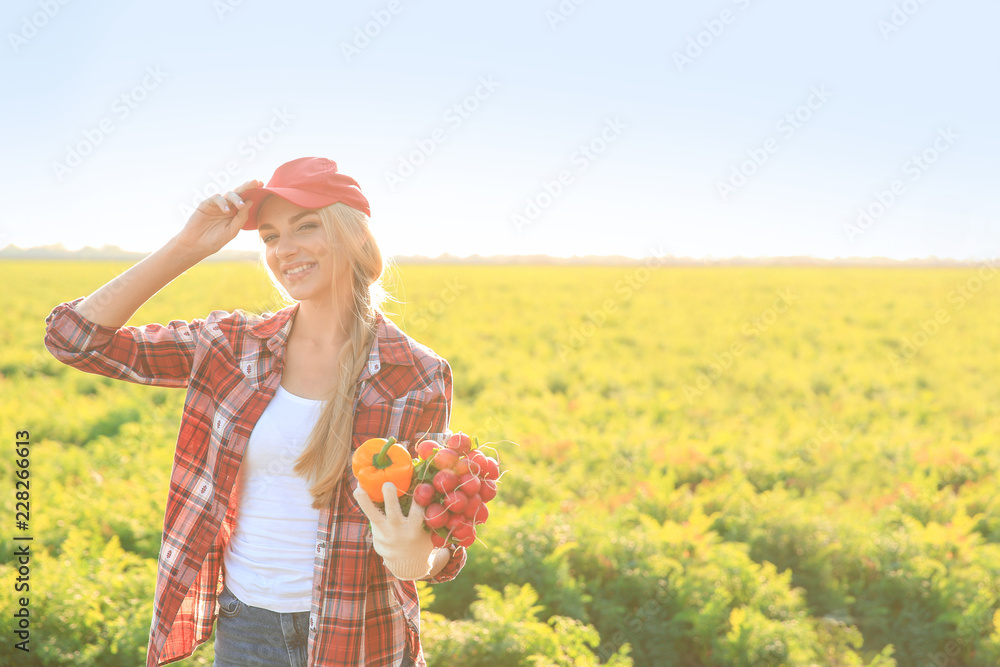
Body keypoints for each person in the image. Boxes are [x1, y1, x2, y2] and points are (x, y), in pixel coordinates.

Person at [43, 157, 466, 667]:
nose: (284, 249)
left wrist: (418, 557)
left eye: (305, 226)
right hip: (245, 629)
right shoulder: (232, 346)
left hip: (359, 635)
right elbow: (75, 341)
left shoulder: (414, 374)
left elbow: (442, 533)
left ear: (354, 235)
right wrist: (187, 247)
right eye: (268, 236)